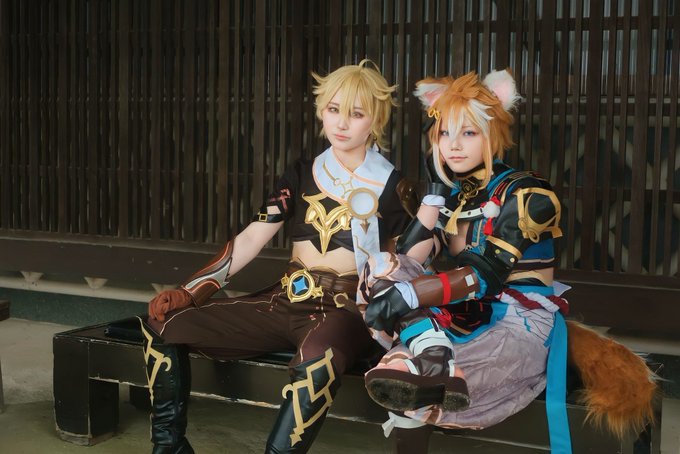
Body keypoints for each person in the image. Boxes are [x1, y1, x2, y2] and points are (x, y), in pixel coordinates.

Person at [358, 70, 655, 454]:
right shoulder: (456, 195)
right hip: (460, 311)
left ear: (491, 133)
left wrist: (409, 296)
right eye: (444, 133)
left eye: (468, 133)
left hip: (519, 321)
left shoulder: (527, 192)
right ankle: (431, 350)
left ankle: (429, 357)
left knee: (419, 379)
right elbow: (408, 260)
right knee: (382, 267)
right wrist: (432, 199)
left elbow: (487, 276)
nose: (453, 145)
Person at [139, 59, 417, 453]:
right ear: (321, 110)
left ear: (376, 120)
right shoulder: (302, 172)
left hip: (345, 311)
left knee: (318, 360)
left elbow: (408, 266)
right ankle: (169, 448)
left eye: (356, 114)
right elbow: (252, 237)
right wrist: (190, 290)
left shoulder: (394, 187)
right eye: (333, 109)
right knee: (163, 324)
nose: (341, 123)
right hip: (284, 298)